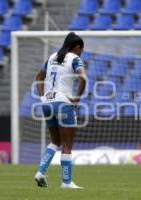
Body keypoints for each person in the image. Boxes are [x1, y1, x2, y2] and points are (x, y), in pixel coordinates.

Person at [34, 32, 87, 189]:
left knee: (55, 141)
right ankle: (66, 182)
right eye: (81, 49)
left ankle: (41, 172)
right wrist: (77, 98)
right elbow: (83, 78)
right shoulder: (75, 59)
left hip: (47, 103)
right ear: (77, 47)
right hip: (63, 103)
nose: (81, 52)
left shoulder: (52, 57)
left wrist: (43, 97)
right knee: (66, 145)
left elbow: (39, 77)